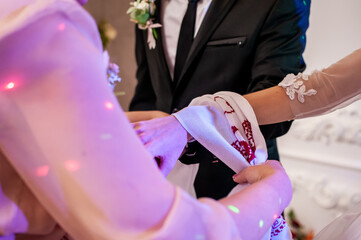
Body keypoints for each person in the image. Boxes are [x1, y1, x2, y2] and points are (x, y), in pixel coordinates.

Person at [0, 0, 292, 239]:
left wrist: (173, 129)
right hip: (160, 201)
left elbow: (278, 95)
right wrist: (275, 192)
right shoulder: (41, 25)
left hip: (228, 174)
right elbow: (170, 234)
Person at [129, 0, 311, 199]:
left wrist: (185, 132)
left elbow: (279, 107)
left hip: (235, 186)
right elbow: (147, 92)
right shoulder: (150, 3)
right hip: (158, 184)